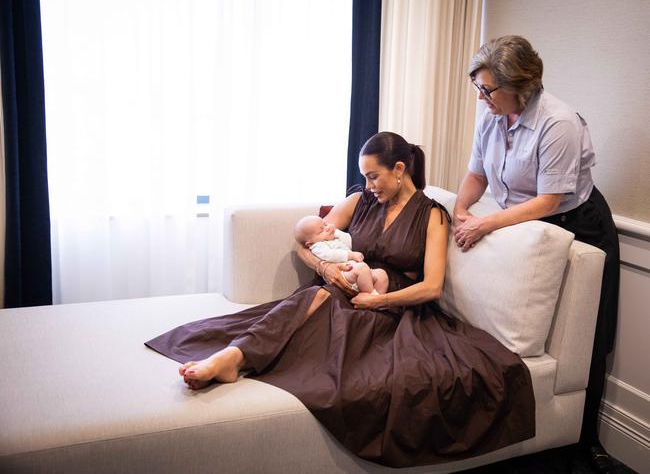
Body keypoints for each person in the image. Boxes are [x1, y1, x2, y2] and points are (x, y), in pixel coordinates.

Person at [146, 131, 535, 467]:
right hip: (343, 287)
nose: (368, 185)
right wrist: (325, 267)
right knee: (317, 295)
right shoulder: (360, 201)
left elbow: (432, 287)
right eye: (365, 177)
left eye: (374, 176)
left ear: (400, 170)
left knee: (320, 310)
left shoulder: (432, 216)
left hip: (393, 307)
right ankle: (235, 356)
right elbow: (303, 243)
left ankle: (236, 356)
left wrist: (378, 302)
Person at [452, 35, 620, 472]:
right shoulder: (491, 115)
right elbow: (476, 175)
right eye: (478, 88)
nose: (481, 97)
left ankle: (587, 444)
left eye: (488, 89)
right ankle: (534, 429)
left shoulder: (558, 122)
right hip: (526, 226)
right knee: (529, 330)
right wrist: (460, 210)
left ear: (520, 86)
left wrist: (484, 223)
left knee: (587, 335)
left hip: (577, 225)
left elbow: (548, 200)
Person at [293, 214, 388, 294]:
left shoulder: (334, 239)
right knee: (362, 268)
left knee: (381, 274)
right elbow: (330, 255)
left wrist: (336, 232)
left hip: (356, 271)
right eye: (321, 231)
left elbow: (349, 241)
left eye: (325, 224)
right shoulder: (317, 246)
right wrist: (351, 255)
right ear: (310, 243)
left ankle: (377, 300)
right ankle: (370, 296)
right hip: (343, 274)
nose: (327, 228)